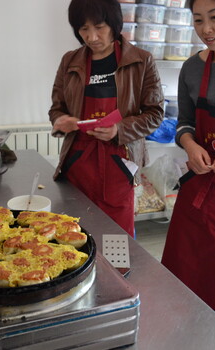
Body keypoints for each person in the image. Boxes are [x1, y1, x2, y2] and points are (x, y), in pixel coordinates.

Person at [48, 0, 164, 237]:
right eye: (83, 29)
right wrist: (63, 121)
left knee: (116, 236)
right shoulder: (70, 61)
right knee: (75, 233)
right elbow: (56, 109)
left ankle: (117, 274)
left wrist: (119, 129)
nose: (91, 37)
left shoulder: (141, 61)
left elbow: (155, 114)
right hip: (78, 161)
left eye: (99, 27)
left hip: (119, 161)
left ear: (113, 23)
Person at [161, 0, 215, 323]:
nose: (205, 29)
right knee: (184, 287)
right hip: (200, 189)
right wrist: (189, 144)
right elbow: (184, 123)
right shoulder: (192, 68)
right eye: (197, 20)